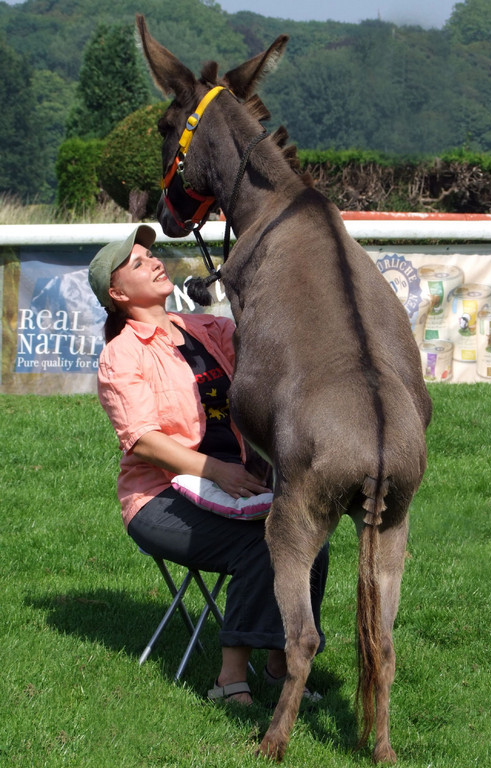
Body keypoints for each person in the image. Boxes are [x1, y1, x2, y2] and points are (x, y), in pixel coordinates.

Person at [88, 224, 329, 705]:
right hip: (157, 500)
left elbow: (260, 348)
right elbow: (143, 442)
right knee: (260, 544)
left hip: (234, 487)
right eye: (137, 263)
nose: (154, 262)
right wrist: (219, 471)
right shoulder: (122, 354)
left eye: (151, 256)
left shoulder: (206, 328)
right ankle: (228, 679)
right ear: (117, 293)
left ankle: (281, 664)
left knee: (309, 538)